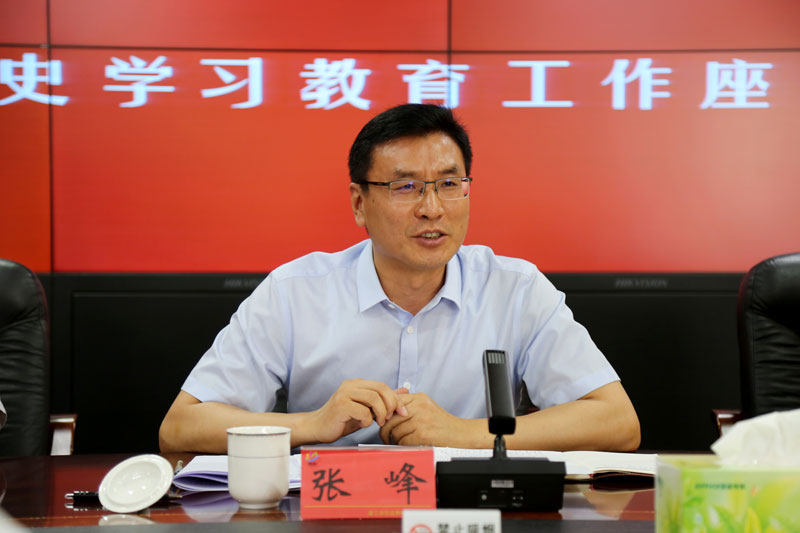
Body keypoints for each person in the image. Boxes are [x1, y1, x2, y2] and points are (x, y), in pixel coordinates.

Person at [159, 104, 640, 453]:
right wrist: (312, 424)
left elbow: (618, 421)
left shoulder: (515, 288)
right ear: (359, 203)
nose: (432, 208)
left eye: (449, 184)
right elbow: (181, 427)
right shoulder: (294, 292)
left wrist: (464, 433)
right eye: (405, 187)